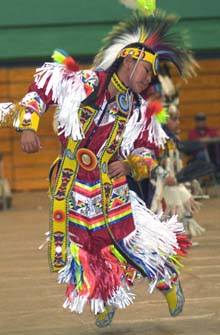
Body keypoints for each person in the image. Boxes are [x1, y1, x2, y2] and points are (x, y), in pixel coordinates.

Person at [0, 11, 195, 328]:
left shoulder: (138, 107)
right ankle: (104, 299)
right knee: (86, 251)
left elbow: (148, 149)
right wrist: (28, 128)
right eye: (146, 69)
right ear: (127, 62)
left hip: (110, 188)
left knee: (127, 244)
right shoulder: (87, 83)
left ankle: (166, 280)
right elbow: (41, 90)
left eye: (152, 74)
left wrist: (130, 163)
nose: (149, 78)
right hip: (74, 185)